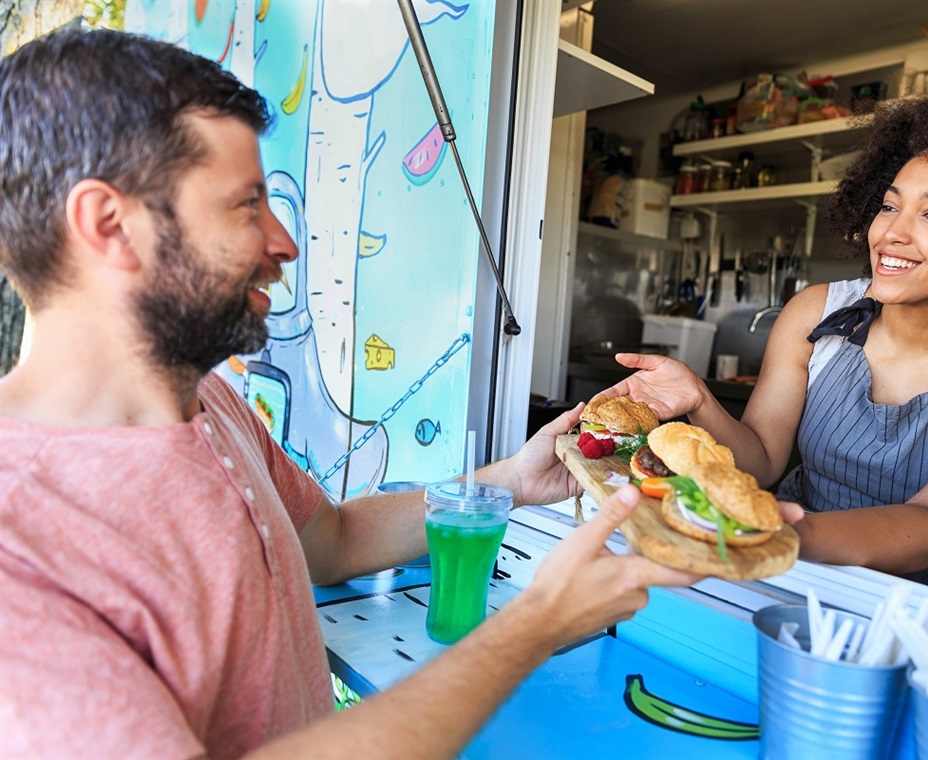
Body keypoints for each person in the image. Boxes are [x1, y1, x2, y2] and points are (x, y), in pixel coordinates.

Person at [0, 29, 700, 758]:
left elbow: (330, 541)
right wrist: (532, 627)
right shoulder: (19, 546)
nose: (285, 240)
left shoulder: (208, 404)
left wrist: (509, 484)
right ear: (109, 225)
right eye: (246, 205)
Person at [602, 80, 928, 575]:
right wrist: (700, 399)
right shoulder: (815, 315)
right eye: (889, 206)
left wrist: (771, 534)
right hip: (798, 558)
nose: (891, 234)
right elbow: (762, 460)